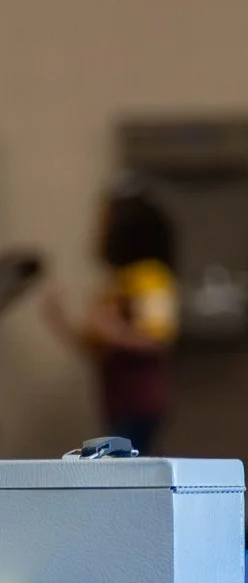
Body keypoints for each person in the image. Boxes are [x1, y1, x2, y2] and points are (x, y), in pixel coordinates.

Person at [42, 181, 180, 454]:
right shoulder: (118, 282)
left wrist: (111, 330)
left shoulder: (150, 278)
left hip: (141, 402)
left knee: (126, 471)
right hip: (119, 402)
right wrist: (61, 321)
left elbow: (156, 338)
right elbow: (96, 345)